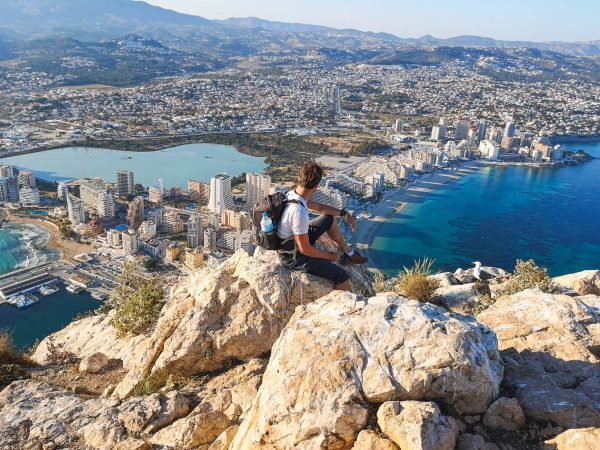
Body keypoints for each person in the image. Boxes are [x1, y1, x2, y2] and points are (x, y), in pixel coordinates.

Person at [277, 162, 368, 291]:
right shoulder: (298, 212)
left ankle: (349, 253)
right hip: (292, 256)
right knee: (342, 276)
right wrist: (328, 256)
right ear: (317, 186)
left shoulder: (292, 194)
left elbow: (320, 208)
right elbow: (304, 249)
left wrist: (344, 214)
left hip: (291, 242)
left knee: (328, 218)